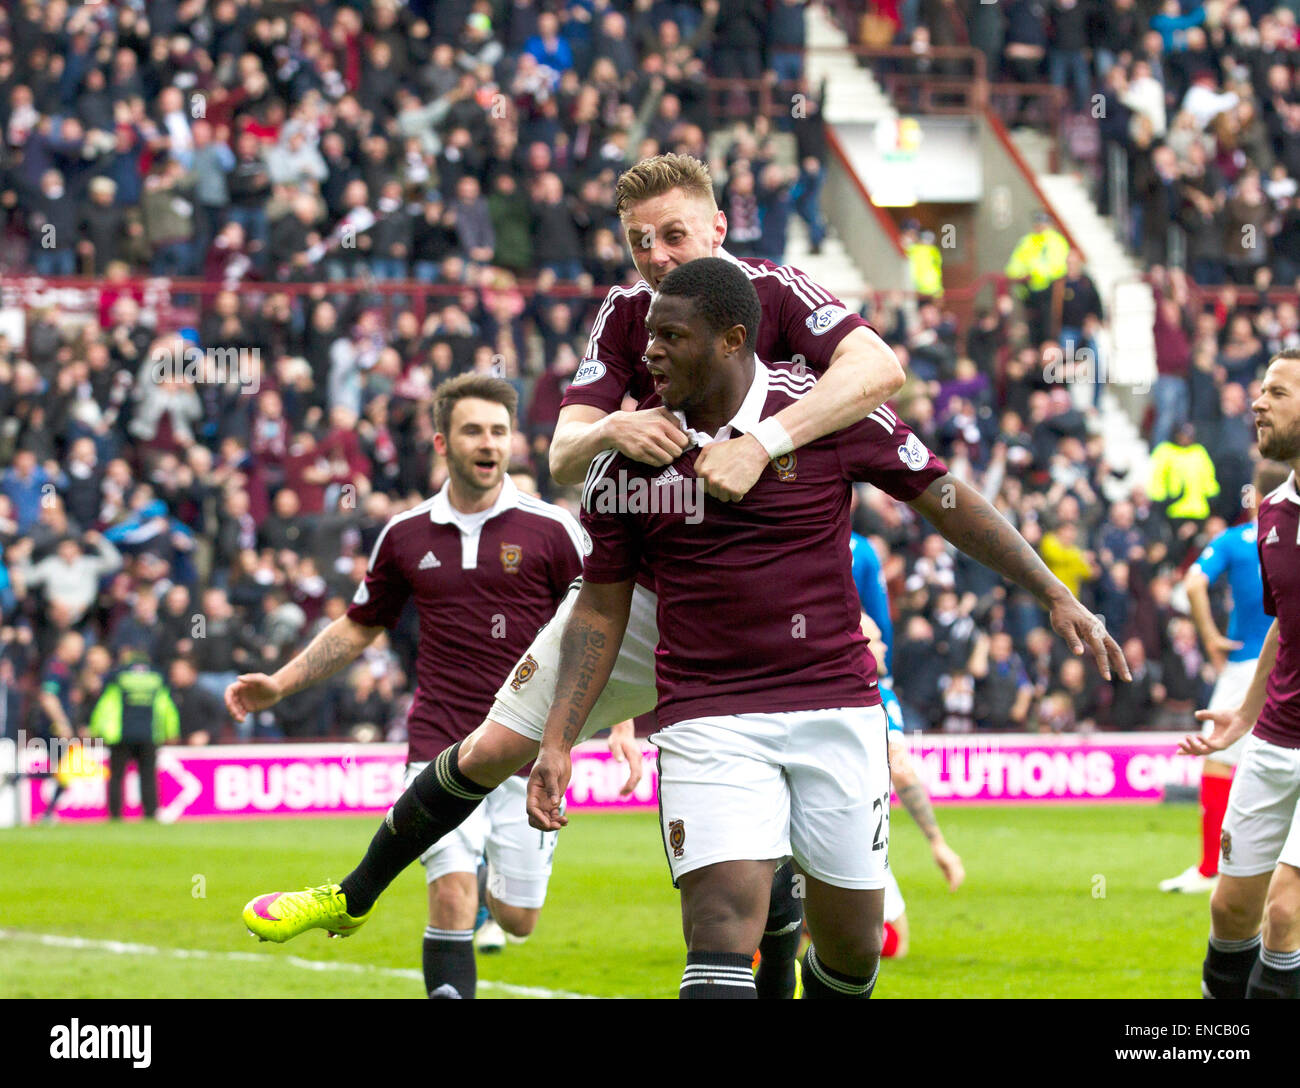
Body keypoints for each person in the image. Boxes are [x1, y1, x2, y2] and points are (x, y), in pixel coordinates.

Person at [232, 152, 908, 1000]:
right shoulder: (628, 315)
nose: (657, 256)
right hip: (650, 597)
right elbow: (560, 454)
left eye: (672, 235)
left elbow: (879, 369)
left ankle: (787, 922)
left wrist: (763, 442)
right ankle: (351, 896)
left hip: (775, 606)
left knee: (756, 838)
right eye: (638, 242)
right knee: (492, 747)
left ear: (718, 229)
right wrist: (617, 433)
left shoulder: (779, 292)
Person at [526, 258, 1127, 999]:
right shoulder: (627, 454)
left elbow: (941, 496)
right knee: (717, 937)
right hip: (706, 714)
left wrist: (1054, 592)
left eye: (670, 337)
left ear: (732, 340)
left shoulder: (827, 412)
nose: (648, 353)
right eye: (648, 335)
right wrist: (559, 739)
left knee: (851, 957)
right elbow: (600, 604)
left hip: (835, 705)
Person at [238, 376, 622, 1000]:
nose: (488, 442)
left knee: (518, 919)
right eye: (473, 430)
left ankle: (489, 870)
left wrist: (622, 725)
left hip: (523, 749)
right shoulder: (406, 534)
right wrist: (278, 684)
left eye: (499, 430)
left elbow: (605, 622)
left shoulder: (553, 530)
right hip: (439, 740)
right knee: (448, 893)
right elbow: (361, 625)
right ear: (443, 441)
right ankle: (457, 874)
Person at [1185, 349, 1300, 999]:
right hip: (1276, 736)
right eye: (1260, 390)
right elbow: (1287, 621)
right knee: (1230, 911)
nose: (1258, 402)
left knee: (1285, 913)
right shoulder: (1273, 513)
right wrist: (1246, 713)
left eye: (1277, 393)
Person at [1161, 460, 1291, 893]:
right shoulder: (1290, 536)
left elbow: (1194, 585)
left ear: (1254, 496)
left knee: (1218, 760)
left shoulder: (1237, 540)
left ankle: (1209, 868)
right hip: (1289, 661)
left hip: (1245, 665)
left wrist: (1211, 637)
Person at [87, 648, 180, 821]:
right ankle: (150, 814)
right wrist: (172, 731)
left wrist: (95, 730)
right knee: (148, 775)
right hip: (149, 733)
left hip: (121, 734)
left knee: (116, 776)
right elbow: (166, 706)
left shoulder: (118, 674)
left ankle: (115, 815)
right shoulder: (157, 675)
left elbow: (106, 704)